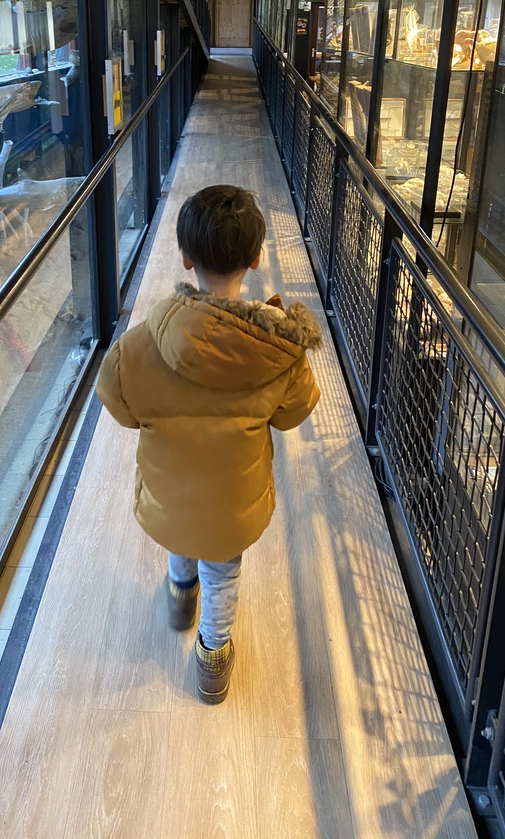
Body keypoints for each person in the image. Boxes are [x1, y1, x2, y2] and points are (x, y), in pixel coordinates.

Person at [96, 184, 321, 703]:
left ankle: (178, 596)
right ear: (258, 257)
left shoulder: (141, 344)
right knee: (223, 572)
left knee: (185, 527)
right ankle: (213, 662)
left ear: (185, 257)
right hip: (233, 507)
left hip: (169, 498)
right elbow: (294, 415)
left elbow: (119, 405)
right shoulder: (279, 351)